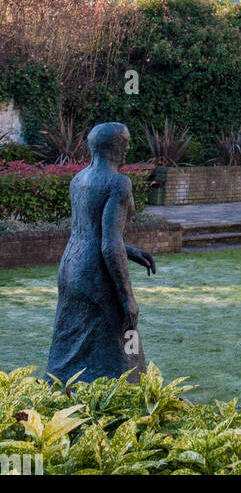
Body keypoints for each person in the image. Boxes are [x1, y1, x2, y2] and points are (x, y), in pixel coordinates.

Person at [45, 121, 155, 384]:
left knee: (71, 337)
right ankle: (127, 399)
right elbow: (108, 243)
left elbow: (87, 232)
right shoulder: (118, 183)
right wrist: (128, 298)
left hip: (71, 268)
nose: (127, 148)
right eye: (125, 143)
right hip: (96, 272)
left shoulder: (78, 180)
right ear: (114, 146)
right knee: (124, 336)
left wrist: (130, 251)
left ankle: (60, 392)